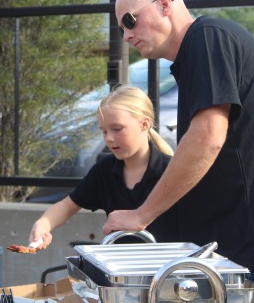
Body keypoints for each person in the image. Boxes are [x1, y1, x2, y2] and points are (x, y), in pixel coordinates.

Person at [103, 0, 254, 278]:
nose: (126, 35)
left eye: (130, 20)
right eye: (121, 29)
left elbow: (208, 137)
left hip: (246, 243)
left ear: (164, 5)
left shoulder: (207, 36)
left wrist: (141, 216)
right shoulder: (194, 55)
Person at [29, 85, 179, 249]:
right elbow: (66, 207)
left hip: (166, 269)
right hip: (118, 269)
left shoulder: (173, 170)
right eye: (104, 131)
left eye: (117, 129)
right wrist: (42, 225)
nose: (109, 138)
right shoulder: (104, 171)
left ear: (144, 124)